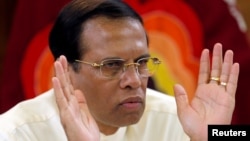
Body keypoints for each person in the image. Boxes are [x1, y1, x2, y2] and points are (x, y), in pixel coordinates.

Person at [0, 0, 239, 140]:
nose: (134, 81)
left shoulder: (180, 118)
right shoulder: (16, 132)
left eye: (142, 63)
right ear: (66, 72)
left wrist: (214, 136)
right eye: (112, 66)